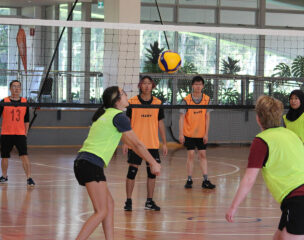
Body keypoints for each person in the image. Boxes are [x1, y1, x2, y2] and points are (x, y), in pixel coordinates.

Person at [226, 95, 304, 240]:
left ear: (258, 118)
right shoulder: (292, 135)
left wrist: (233, 207)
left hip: (299, 200)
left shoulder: (261, 141)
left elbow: (249, 179)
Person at [74, 86, 160, 240]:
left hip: (84, 163)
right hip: (90, 164)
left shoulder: (106, 114)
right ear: (117, 100)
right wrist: (153, 162)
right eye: (123, 93)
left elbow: (131, 143)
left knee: (109, 204)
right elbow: (138, 144)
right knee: (100, 211)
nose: (127, 94)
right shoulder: (119, 117)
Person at [122, 76, 167, 211]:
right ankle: (128, 201)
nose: (147, 86)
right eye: (144, 83)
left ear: (152, 85)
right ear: (140, 85)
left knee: (152, 173)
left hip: (152, 144)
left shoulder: (158, 102)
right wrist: (125, 142)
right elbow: (126, 123)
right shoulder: (132, 102)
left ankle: (149, 201)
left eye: (149, 83)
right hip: (135, 144)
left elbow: (160, 124)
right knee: (132, 171)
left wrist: (164, 143)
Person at [0, 80, 35, 186]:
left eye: (18, 87)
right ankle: (4, 176)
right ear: (10, 89)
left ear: (20, 89)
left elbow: (26, 120)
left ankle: (29, 178)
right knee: (5, 156)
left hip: (20, 134)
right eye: (14, 86)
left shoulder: (24, 102)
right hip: (7, 133)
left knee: (24, 155)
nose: (16, 89)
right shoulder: (4, 101)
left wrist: (25, 133)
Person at [179, 75, 215, 189]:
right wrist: (180, 134)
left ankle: (205, 180)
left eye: (200, 84)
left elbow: (207, 117)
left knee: (203, 155)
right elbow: (181, 118)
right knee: (190, 155)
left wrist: (206, 133)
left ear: (203, 86)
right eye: (196, 84)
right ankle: (189, 179)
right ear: (192, 86)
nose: (198, 86)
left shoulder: (207, 99)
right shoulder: (186, 100)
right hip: (189, 133)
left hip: (201, 133)